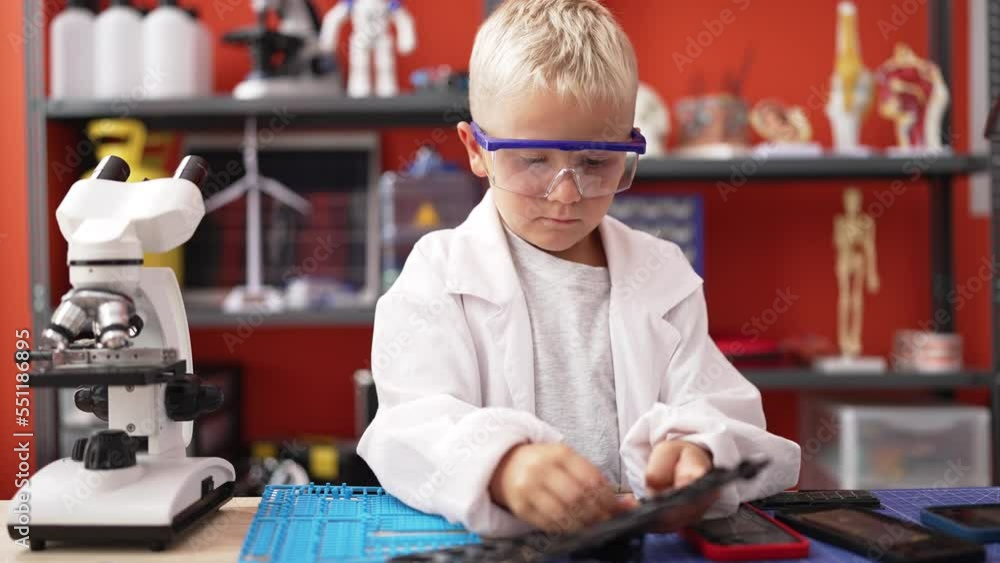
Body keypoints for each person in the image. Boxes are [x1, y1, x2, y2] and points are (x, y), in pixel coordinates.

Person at [357, 0, 801, 537]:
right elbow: (407, 428)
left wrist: (695, 454)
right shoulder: (439, 272)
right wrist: (502, 467)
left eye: (595, 162)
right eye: (533, 160)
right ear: (476, 149)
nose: (566, 194)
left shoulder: (660, 275)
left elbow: (724, 410)